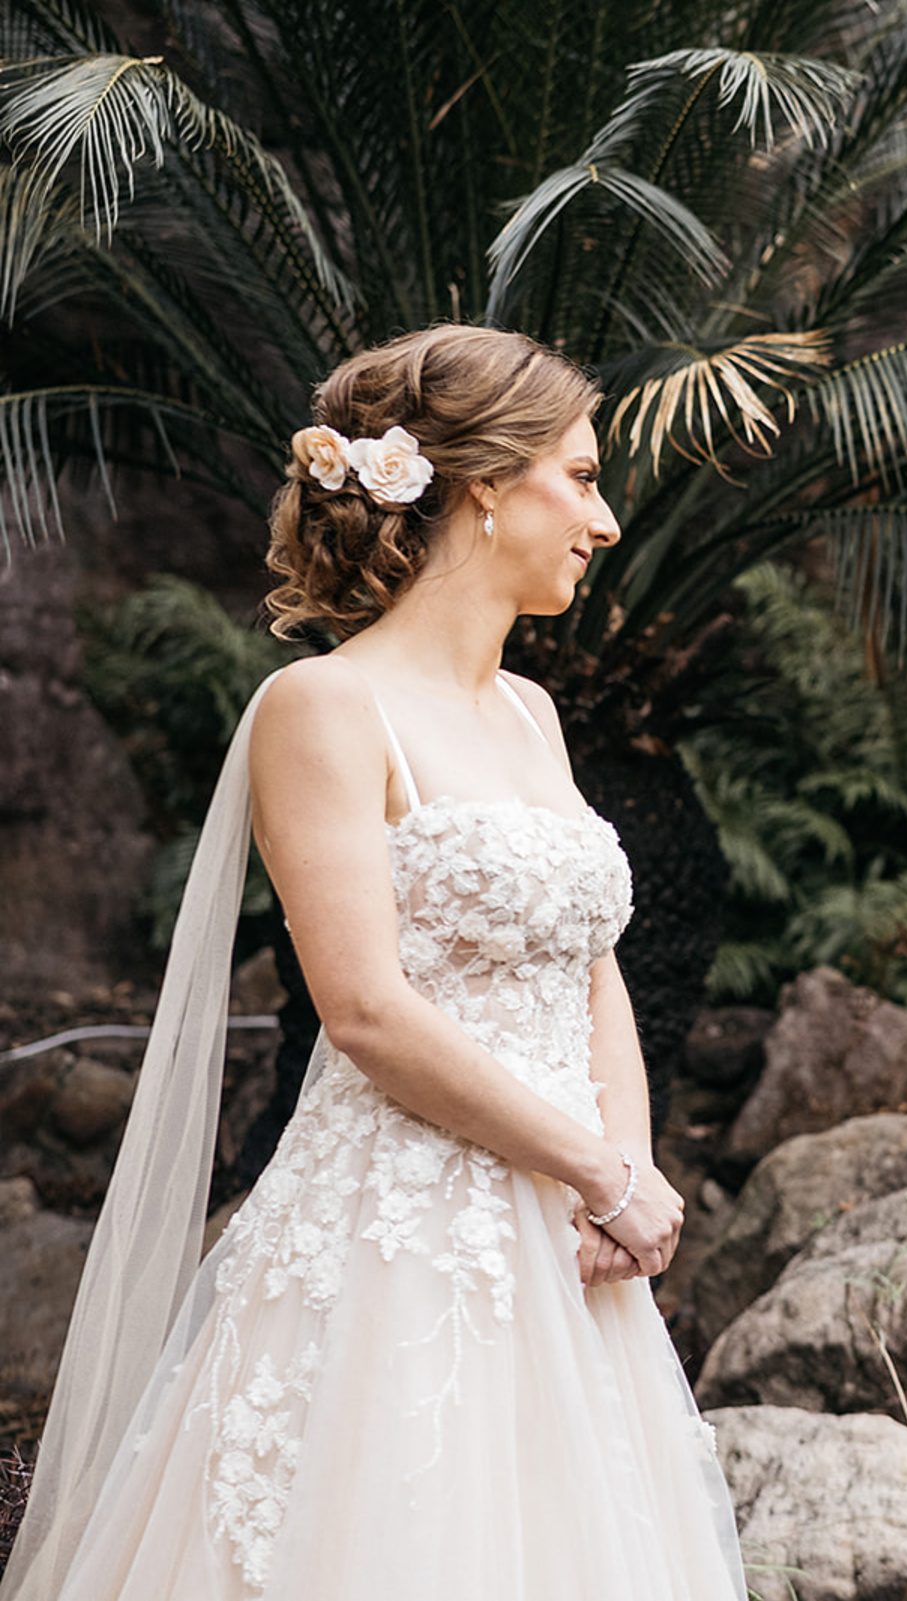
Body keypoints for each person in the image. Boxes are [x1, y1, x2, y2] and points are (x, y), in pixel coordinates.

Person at [5, 326, 745, 1600]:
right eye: (579, 475)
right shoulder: (323, 711)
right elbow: (363, 1009)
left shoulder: (535, 712)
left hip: (570, 1238)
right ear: (481, 484)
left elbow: (592, 965)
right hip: (397, 1236)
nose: (605, 518)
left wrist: (626, 1175)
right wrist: (593, 1164)